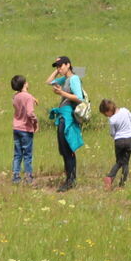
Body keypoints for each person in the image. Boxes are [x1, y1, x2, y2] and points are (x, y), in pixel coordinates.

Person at [48, 55, 86, 192]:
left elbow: (79, 98)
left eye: (61, 66)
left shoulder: (74, 79)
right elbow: (48, 81)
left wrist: (61, 92)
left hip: (68, 117)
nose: (59, 68)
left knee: (68, 149)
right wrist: (57, 72)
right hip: (62, 116)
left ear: (68, 65)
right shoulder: (66, 79)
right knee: (63, 149)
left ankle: (71, 180)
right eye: (57, 66)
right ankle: (69, 178)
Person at [100, 98, 131, 189]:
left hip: (119, 141)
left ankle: (110, 177)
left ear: (109, 111)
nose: (106, 116)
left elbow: (112, 133)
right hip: (128, 139)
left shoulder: (112, 120)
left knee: (119, 161)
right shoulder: (125, 110)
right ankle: (122, 184)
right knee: (125, 163)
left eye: (105, 114)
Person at [10, 74, 37, 185]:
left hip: (16, 127)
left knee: (17, 154)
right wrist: (35, 121)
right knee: (27, 154)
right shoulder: (28, 97)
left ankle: (16, 176)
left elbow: (17, 97)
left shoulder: (15, 97)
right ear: (25, 84)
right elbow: (30, 112)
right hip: (26, 128)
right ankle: (28, 176)